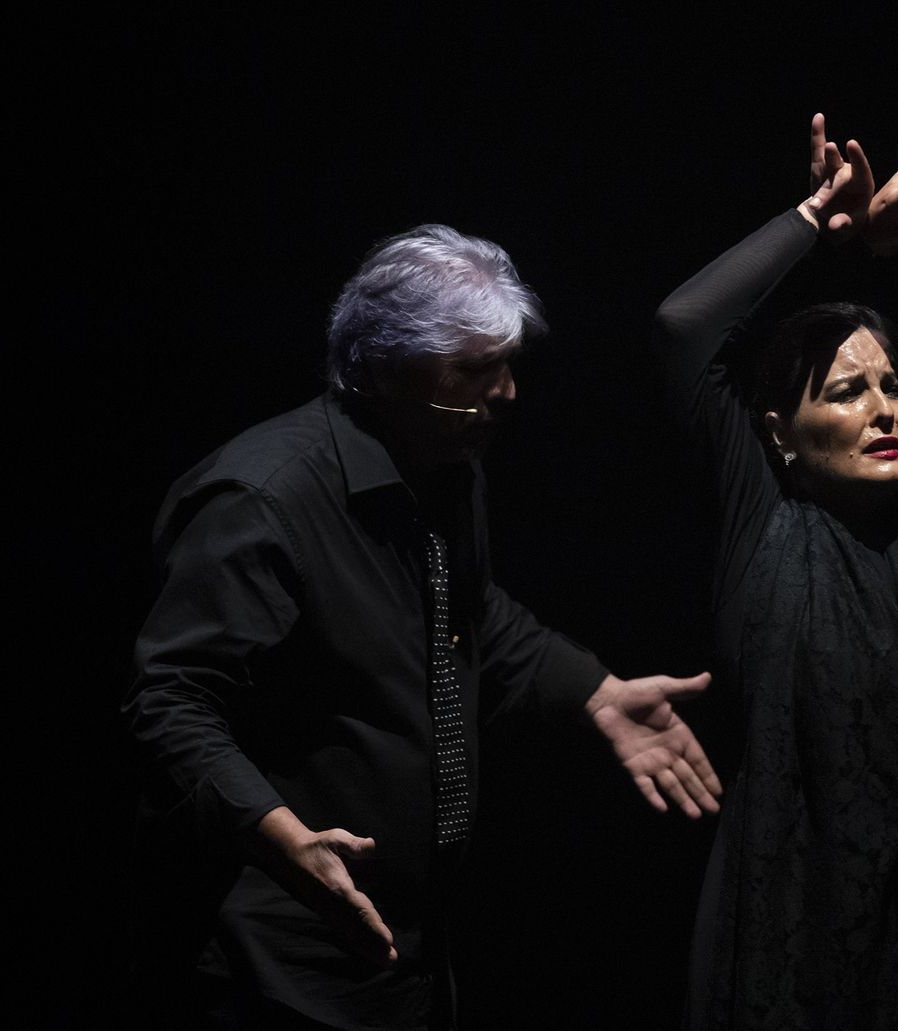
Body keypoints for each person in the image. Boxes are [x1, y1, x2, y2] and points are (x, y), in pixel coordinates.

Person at [123, 224, 722, 1030]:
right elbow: (169, 701)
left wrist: (595, 692)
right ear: (381, 368)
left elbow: (464, 614)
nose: (506, 392)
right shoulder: (263, 501)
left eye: (508, 364)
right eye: (474, 371)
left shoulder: (447, 467)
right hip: (275, 964)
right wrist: (279, 837)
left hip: (411, 955)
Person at [652, 116, 898, 1029]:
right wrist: (815, 216)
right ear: (780, 435)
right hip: (800, 951)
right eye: (844, 390)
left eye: (894, 385)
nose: (884, 408)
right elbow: (683, 328)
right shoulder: (762, 525)